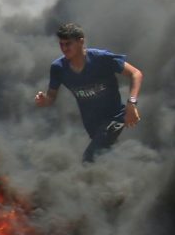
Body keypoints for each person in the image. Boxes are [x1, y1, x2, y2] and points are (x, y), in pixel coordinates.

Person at [35, 23, 143, 163]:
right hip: (92, 126)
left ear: (81, 42)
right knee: (107, 159)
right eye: (61, 44)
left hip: (115, 118)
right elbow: (51, 96)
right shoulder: (58, 68)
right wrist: (44, 100)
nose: (64, 49)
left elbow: (135, 74)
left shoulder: (101, 59)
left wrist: (132, 103)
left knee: (89, 159)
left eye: (68, 44)